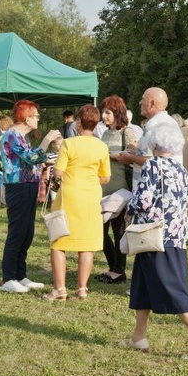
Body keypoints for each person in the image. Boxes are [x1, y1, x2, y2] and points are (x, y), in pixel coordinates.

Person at [120, 125, 188, 361]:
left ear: (153, 144)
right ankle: (138, 337)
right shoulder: (180, 169)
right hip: (175, 235)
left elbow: (143, 200)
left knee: (173, 289)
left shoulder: (152, 165)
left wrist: (127, 208)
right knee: (142, 285)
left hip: (156, 234)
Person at [44, 105, 111, 300]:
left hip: (69, 196)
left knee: (58, 242)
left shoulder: (68, 144)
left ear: (79, 122)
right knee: (87, 244)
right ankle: (82, 288)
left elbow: (58, 172)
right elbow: (105, 177)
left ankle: (59, 289)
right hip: (91, 197)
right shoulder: (101, 146)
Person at [0, 100, 61, 293]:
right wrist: (47, 140)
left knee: (27, 232)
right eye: (36, 116)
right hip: (17, 187)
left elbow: (35, 157)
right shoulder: (12, 136)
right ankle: (8, 278)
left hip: (29, 186)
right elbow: (32, 157)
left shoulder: (22, 137)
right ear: (27, 118)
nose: (38, 119)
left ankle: (20, 275)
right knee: (17, 232)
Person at [96, 96, 136, 285]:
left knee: (118, 232)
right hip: (103, 189)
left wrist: (107, 155)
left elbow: (131, 156)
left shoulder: (126, 133)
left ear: (117, 113)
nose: (104, 116)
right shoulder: (104, 134)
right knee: (100, 232)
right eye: (104, 112)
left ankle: (119, 271)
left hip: (120, 191)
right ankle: (114, 267)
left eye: (108, 112)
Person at [117, 87, 182, 190]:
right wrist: (137, 151)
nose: (140, 102)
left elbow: (149, 160)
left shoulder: (154, 125)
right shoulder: (169, 122)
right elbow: (158, 155)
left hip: (155, 191)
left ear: (151, 104)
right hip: (167, 187)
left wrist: (128, 157)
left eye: (143, 99)